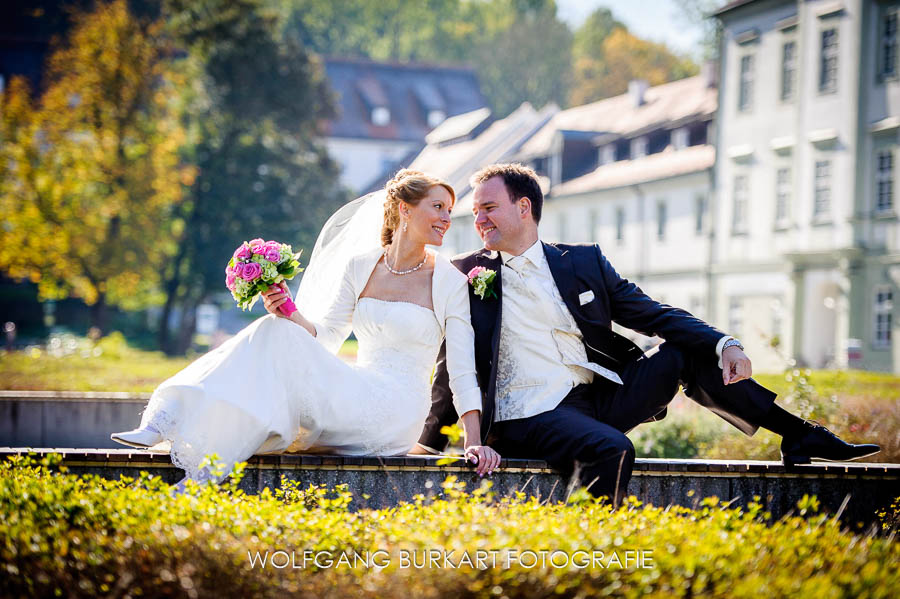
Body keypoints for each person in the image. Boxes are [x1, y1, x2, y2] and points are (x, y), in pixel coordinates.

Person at [417, 163, 880, 506]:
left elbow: (651, 313)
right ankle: (599, 551)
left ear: (524, 207)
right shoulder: (467, 274)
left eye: (488, 208)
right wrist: (433, 443)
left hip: (594, 397)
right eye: (475, 211)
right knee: (613, 448)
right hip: (525, 415)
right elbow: (451, 362)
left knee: (684, 350)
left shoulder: (582, 262)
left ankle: (799, 434)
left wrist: (727, 343)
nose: (477, 220)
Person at [111, 170, 501, 487]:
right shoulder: (360, 265)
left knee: (274, 347)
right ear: (404, 209)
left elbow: (463, 369)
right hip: (357, 385)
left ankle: (193, 457)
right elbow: (328, 336)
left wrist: (474, 442)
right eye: (438, 207)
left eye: (450, 211)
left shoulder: (447, 279)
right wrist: (291, 313)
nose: (447, 219)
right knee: (273, 328)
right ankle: (163, 419)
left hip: (397, 409)